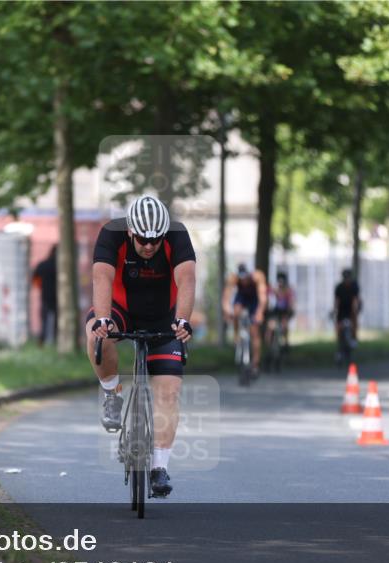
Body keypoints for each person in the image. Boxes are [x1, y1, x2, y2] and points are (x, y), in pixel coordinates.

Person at [86, 194, 196, 498]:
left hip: (164, 316)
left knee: (169, 390)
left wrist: (183, 321)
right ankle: (111, 392)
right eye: (143, 240)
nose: (149, 246)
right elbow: (101, 279)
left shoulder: (178, 235)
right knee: (96, 333)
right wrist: (104, 320)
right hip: (121, 308)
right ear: (131, 232)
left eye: (156, 240)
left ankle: (159, 468)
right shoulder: (112, 234)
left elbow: (187, 280)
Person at [222, 263, 267, 373]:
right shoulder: (233, 278)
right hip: (242, 297)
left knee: (254, 330)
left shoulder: (257, 276)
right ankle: (236, 335)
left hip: (254, 299)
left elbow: (262, 297)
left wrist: (260, 312)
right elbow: (226, 299)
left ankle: (255, 363)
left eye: (245, 278)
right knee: (236, 311)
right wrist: (228, 312)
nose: (244, 281)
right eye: (241, 279)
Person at [32, 245, 58, 345]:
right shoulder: (61, 266)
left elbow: (34, 279)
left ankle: (41, 342)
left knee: (44, 322)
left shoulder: (43, 264)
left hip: (45, 297)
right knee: (58, 322)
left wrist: (40, 287)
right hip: (58, 298)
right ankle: (57, 341)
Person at [266, 270, 296, 349]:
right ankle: (268, 346)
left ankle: (285, 343)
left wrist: (290, 310)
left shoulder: (289, 290)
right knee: (270, 326)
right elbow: (267, 296)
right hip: (275, 311)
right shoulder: (274, 289)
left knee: (284, 325)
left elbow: (291, 303)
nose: (280, 284)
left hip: (285, 311)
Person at [333, 268, 360, 350]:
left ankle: (354, 337)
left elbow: (355, 300)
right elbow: (337, 301)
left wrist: (355, 310)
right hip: (342, 310)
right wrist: (334, 310)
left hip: (351, 309)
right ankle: (339, 342)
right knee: (338, 326)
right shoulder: (339, 287)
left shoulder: (354, 286)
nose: (347, 280)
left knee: (354, 321)